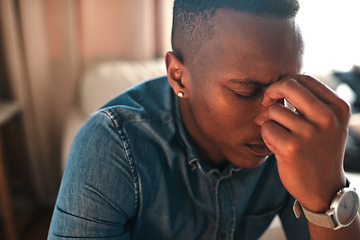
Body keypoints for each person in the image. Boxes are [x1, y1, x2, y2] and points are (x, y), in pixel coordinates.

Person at [48, 0, 360, 239]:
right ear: (178, 77)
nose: (273, 118)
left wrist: (329, 190)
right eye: (244, 91)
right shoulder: (111, 147)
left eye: (286, 90)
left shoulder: (293, 141)